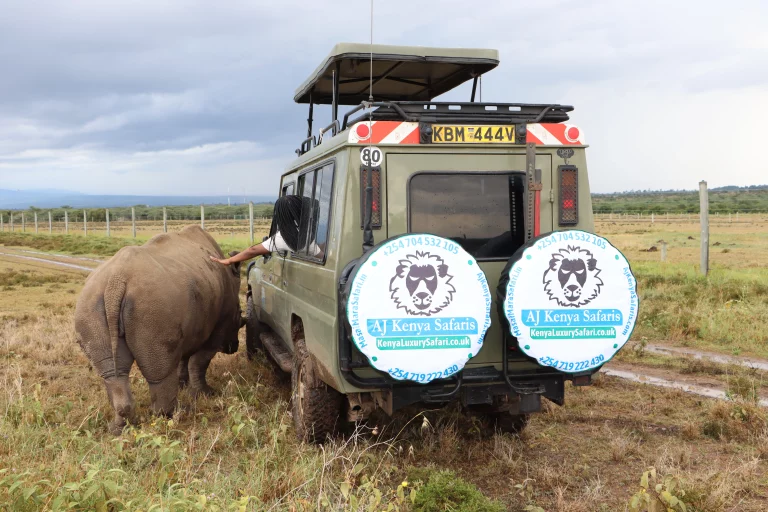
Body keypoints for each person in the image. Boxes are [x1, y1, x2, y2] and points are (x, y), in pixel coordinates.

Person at [210, 195, 323, 266]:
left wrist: (229, 261)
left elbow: (253, 250)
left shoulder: (284, 238)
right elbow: (322, 255)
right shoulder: (310, 228)